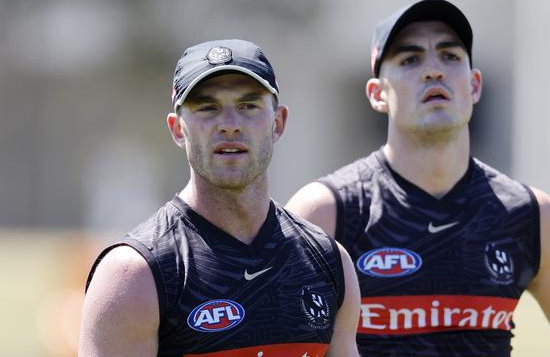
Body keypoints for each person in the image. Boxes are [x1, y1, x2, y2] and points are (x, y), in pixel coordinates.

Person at [286, 0, 550, 357]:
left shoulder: (529, 216)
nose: (434, 71)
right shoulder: (326, 213)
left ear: (475, 85)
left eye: (450, 56)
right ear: (377, 94)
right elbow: (271, 339)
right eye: (410, 59)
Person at [78, 39, 360, 357]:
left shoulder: (328, 261)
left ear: (278, 123)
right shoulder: (134, 276)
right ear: (177, 129)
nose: (229, 125)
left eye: (248, 106)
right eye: (207, 108)